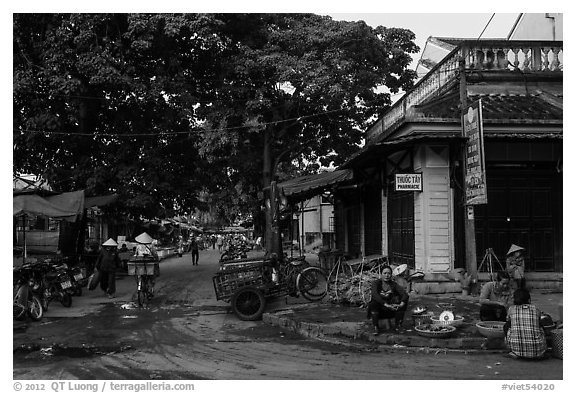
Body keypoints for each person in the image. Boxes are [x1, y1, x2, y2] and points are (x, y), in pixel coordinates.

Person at [504, 288, 547, 360]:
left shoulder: (511, 309)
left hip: (516, 350)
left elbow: (508, 321)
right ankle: (538, 350)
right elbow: (539, 322)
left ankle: (513, 350)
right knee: (540, 326)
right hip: (538, 350)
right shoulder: (535, 309)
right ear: (529, 299)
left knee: (506, 326)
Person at [366, 265, 409, 335]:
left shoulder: (394, 285)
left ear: (391, 275)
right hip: (378, 311)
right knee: (373, 303)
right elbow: (375, 295)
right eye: (385, 273)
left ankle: (398, 326)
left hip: (390, 310)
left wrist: (401, 304)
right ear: (381, 274)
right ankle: (375, 327)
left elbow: (405, 294)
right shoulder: (376, 283)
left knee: (402, 300)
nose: (387, 275)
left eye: (389, 273)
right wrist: (386, 304)